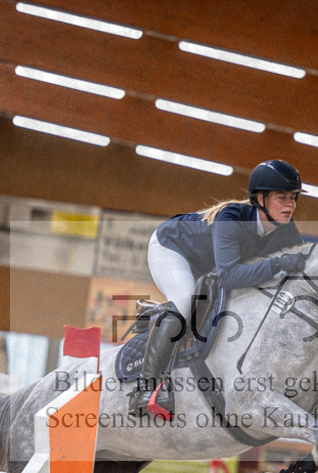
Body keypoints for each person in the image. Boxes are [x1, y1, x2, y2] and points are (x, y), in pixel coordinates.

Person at [130, 159, 308, 418]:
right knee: (184, 299)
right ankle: (145, 388)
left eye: (293, 198)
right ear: (260, 198)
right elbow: (230, 276)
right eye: (282, 197)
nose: (290, 204)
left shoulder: (286, 231)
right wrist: (278, 264)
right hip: (172, 247)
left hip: (208, 266)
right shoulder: (232, 218)